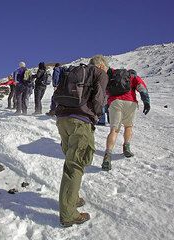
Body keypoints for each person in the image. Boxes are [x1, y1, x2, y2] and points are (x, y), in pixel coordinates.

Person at [54, 55, 109, 227]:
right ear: (101, 65)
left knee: (72, 161)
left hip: (62, 120)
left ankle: (72, 198)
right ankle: (68, 214)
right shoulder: (100, 73)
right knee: (75, 165)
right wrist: (96, 115)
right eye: (106, 68)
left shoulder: (76, 71)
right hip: (80, 122)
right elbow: (99, 99)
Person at [101, 68, 150, 171]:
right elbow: (142, 88)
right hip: (130, 103)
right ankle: (126, 147)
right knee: (128, 127)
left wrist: (106, 107)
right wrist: (146, 102)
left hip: (115, 102)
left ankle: (108, 154)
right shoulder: (132, 76)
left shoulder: (112, 76)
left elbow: (106, 92)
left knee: (114, 130)